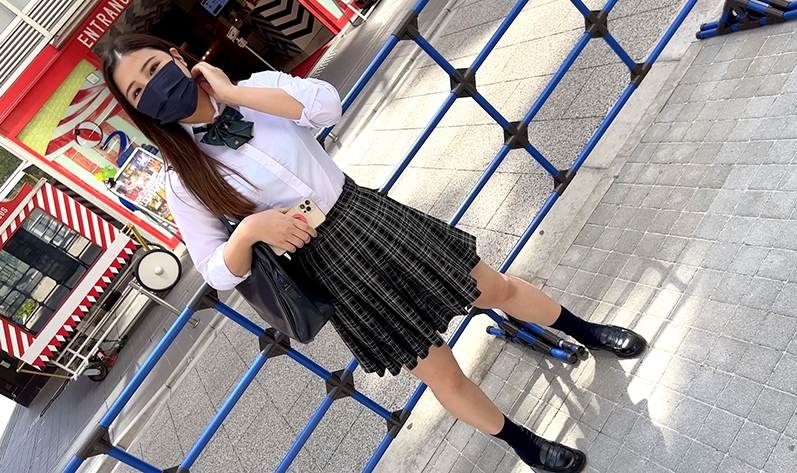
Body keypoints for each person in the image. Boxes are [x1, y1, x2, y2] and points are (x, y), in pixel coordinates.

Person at [103, 34, 647, 472]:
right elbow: (216, 271)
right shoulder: (183, 181)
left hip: (366, 216)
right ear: (138, 110)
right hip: (326, 265)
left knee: (492, 287)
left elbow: (326, 104)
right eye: (138, 92)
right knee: (439, 371)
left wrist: (235, 95)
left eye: (153, 68)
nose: (154, 89)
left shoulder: (257, 88)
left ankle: (588, 331)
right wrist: (248, 231)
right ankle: (525, 445)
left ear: (177, 57)